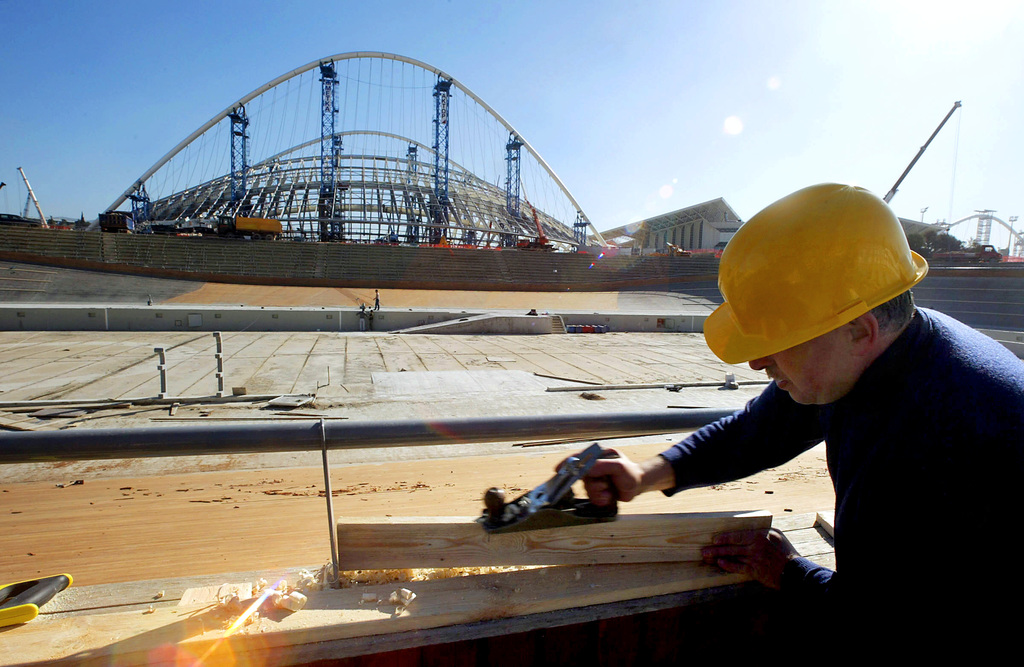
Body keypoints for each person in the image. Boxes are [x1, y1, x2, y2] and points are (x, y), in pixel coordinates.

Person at [579, 183, 1024, 649]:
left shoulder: (938, 438)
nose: (756, 362)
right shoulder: (879, 347)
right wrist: (646, 474)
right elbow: (759, 431)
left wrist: (790, 573)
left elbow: (892, 620)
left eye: (778, 340)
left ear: (858, 329)